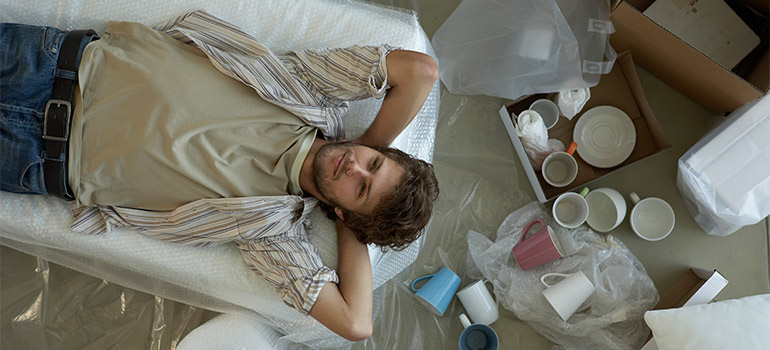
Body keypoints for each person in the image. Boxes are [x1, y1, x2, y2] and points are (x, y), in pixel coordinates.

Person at [0, 10, 439, 341]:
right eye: (375, 161)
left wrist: (348, 224)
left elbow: (355, 323)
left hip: (34, 155)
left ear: (343, 213)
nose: (355, 165)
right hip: (50, 62)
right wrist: (372, 149)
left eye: (361, 187)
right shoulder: (308, 88)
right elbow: (420, 71)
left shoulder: (271, 232)